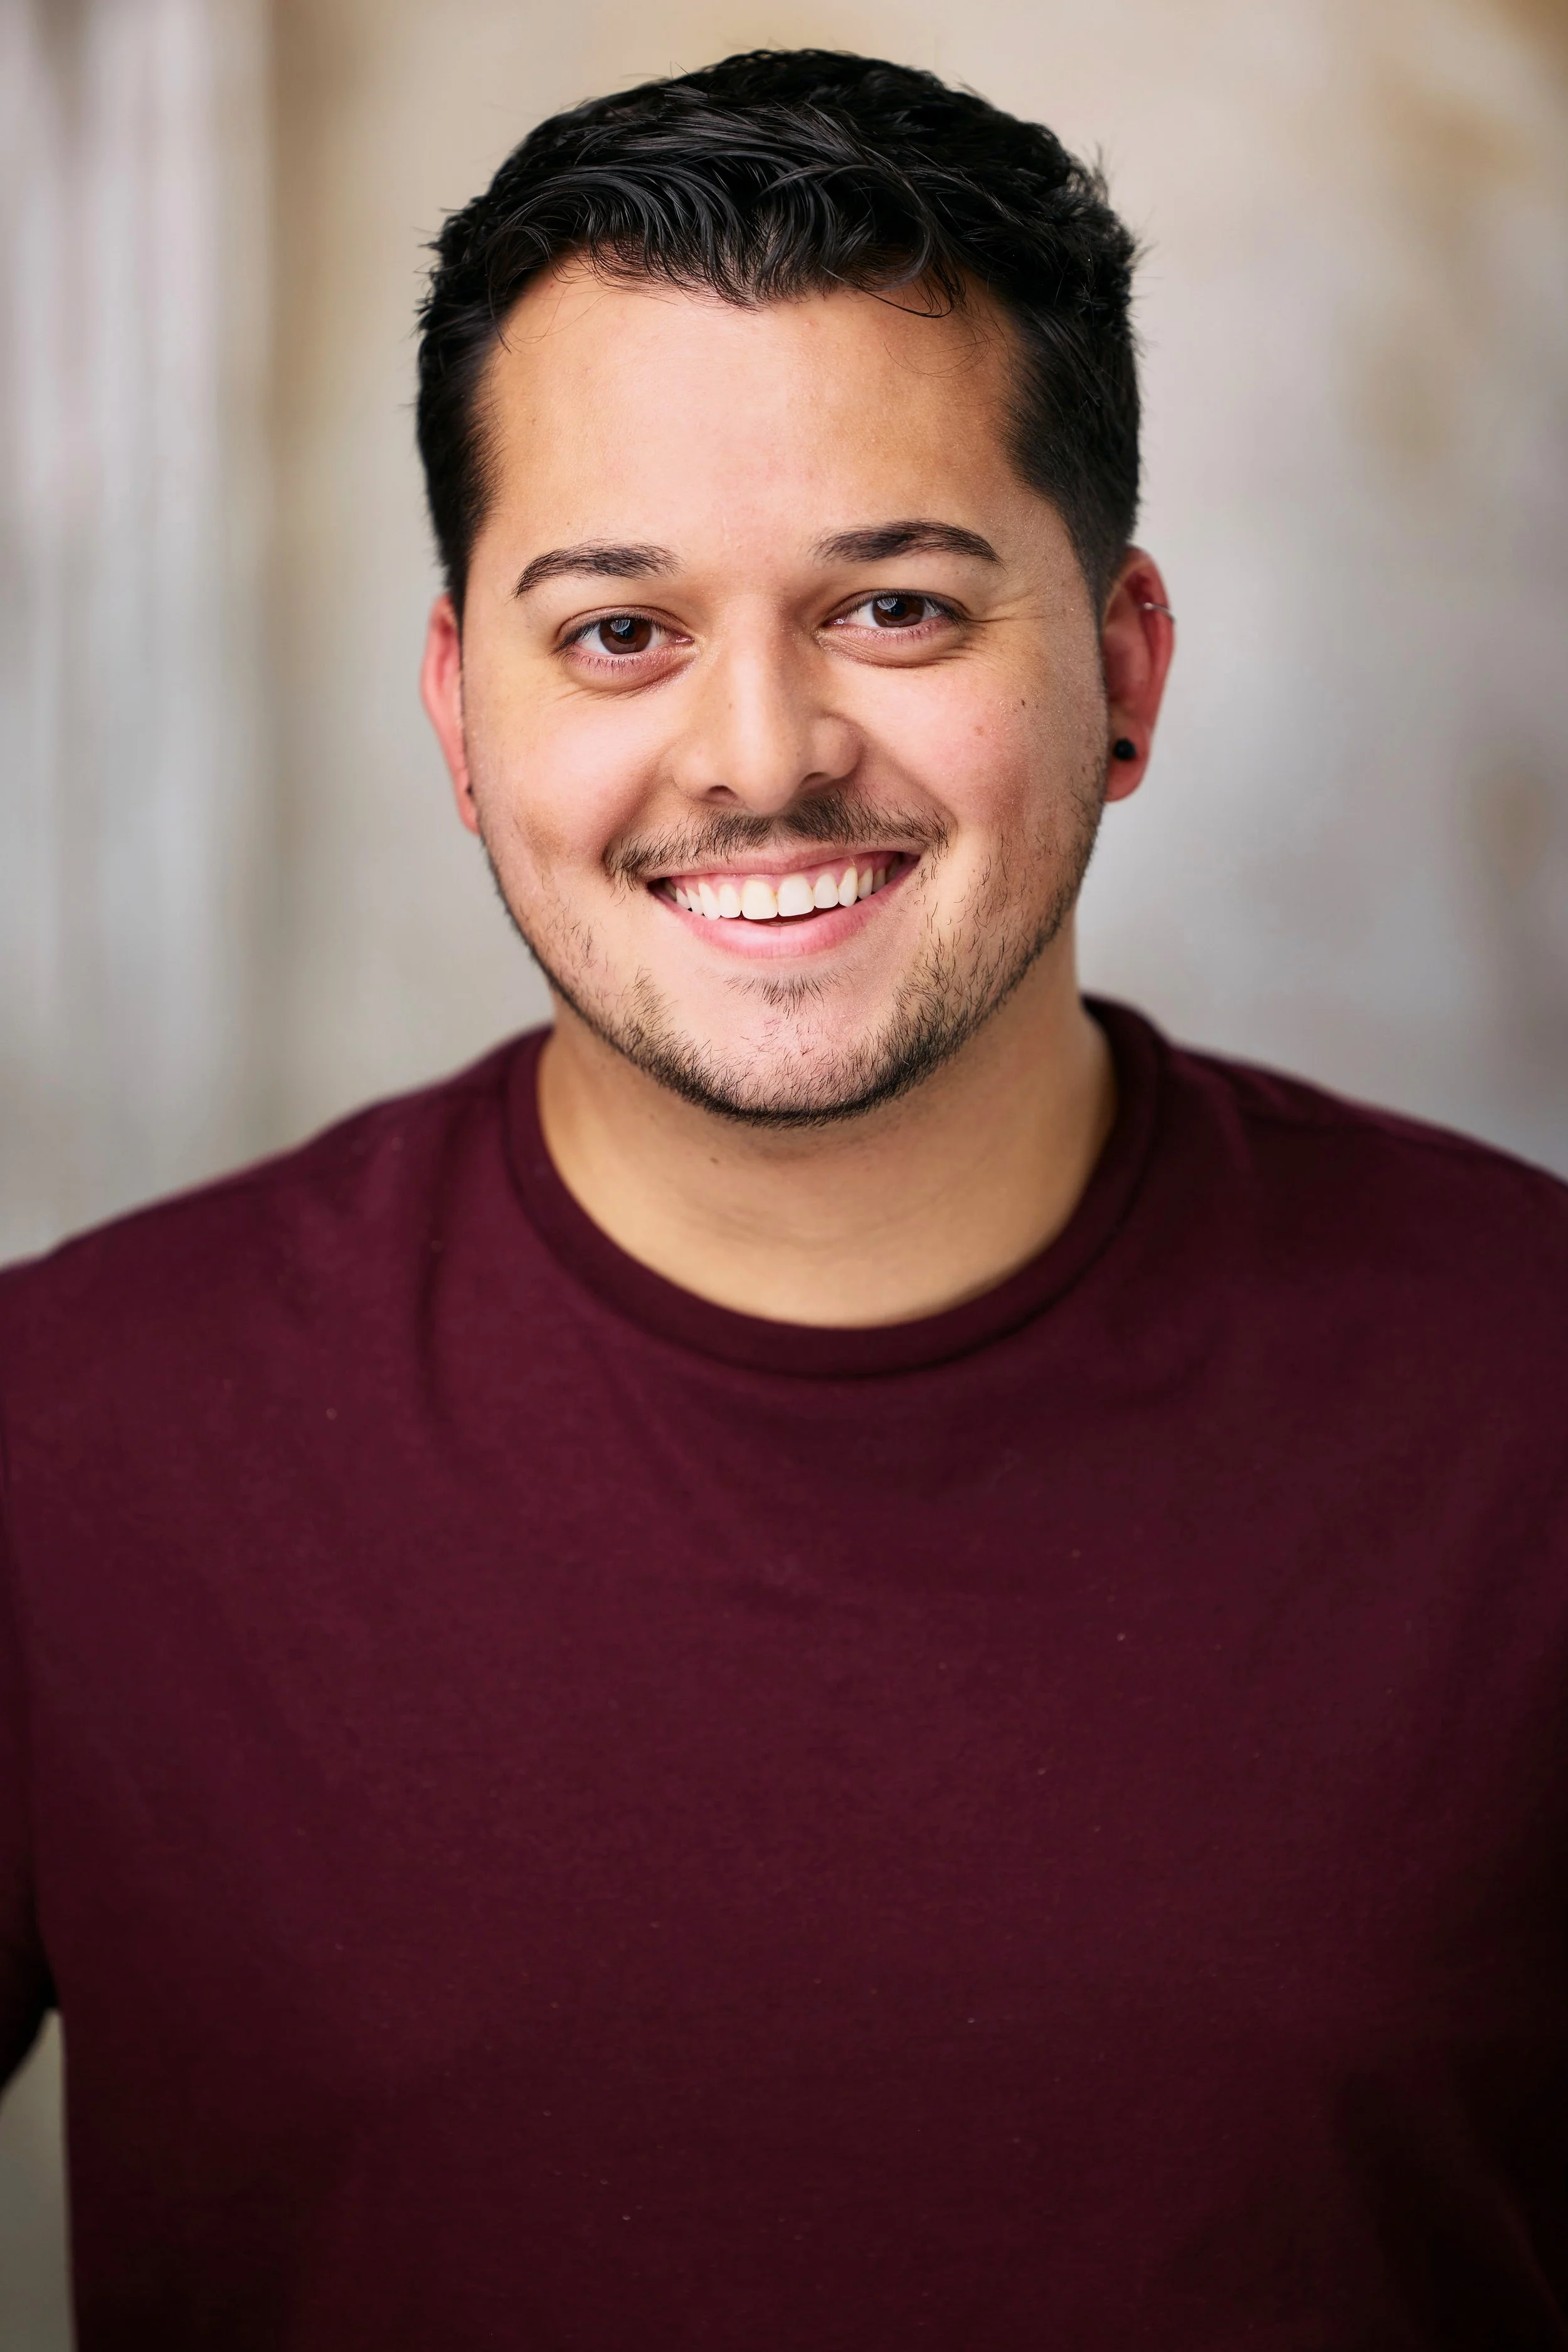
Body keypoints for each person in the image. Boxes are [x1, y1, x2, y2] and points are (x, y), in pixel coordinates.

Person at [3, 46, 1565, 2349]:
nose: (758, 755)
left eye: (896, 609)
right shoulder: (64, 1442)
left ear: (1123, 668)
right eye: (617, 631)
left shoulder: (1529, 1396)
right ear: (459, 713)